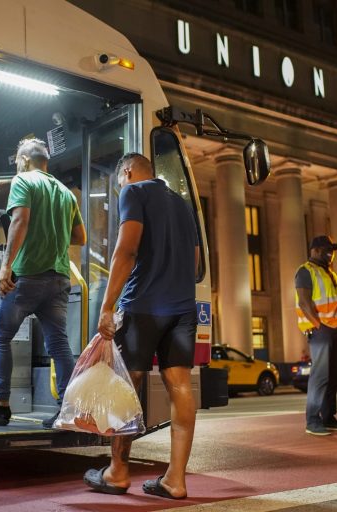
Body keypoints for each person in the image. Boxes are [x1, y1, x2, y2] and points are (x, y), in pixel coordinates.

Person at [82, 153, 199, 500]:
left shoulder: (135, 192)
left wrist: (107, 306)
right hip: (182, 308)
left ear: (128, 173)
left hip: (144, 305)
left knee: (127, 384)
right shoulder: (182, 204)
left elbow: (126, 249)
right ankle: (175, 479)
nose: (121, 188)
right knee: (180, 385)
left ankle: (117, 472)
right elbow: (193, 264)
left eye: (120, 182)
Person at [0, 138, 86, 429]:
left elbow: (19, 221)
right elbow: (79, 237)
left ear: (25, 159)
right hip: (58, 278)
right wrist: (51, 231)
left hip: (28, 276)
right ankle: (67, 410)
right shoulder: (66, 194)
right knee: (59, 344)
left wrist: (6, 266)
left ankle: (0, 406)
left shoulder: (23, 181)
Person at [295, 235, 337, 436]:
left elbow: (336, 303)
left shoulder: (330, 273)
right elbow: (304, 302)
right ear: (315, 250)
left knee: (332, 376)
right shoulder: (305, 271)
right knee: (319, 377)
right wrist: (318, 326)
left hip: (336, 330)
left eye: (333, 250)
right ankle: (312, 420)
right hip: (321, 331)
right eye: (327, 250)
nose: (331, 254)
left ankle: (329, 417)